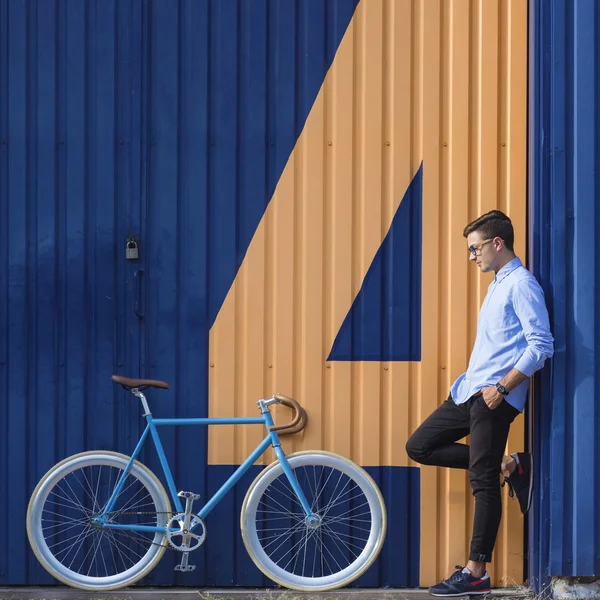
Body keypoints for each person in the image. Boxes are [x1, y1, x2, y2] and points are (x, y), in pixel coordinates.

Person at [406, 210, 554, 597]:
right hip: (469, 391)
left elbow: (541, 346)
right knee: (419, 446)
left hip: (493, 396)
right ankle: (510, 464)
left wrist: (502, 388)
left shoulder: (521, 285)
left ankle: (477, 573)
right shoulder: (497, 285)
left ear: (497, 243)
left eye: (475, 248)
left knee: (481, 481)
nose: (472, 256)